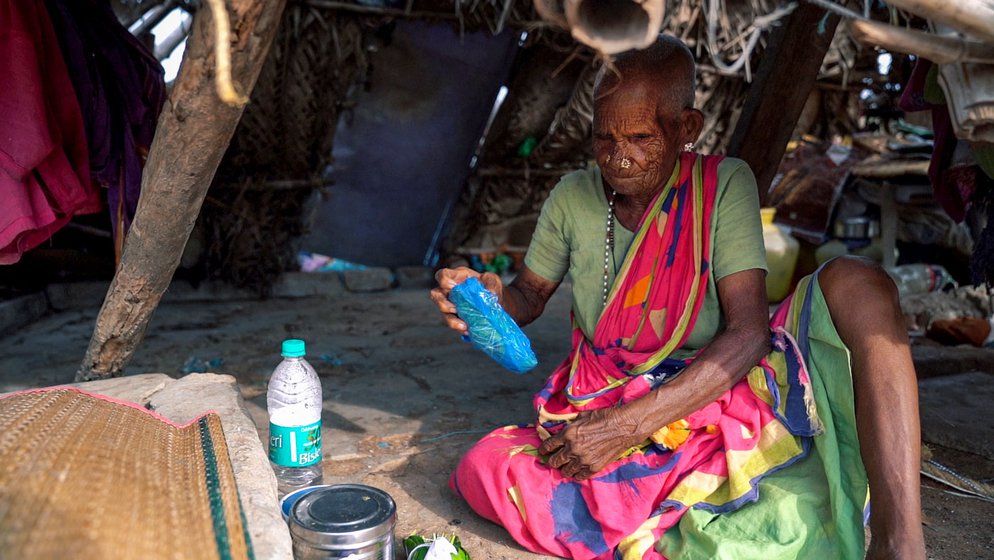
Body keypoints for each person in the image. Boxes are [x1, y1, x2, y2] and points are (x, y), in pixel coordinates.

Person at [430, 35, 925, 560]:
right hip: (605, 396)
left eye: (640, 137)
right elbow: (529, 296)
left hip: (715, 385)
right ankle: (690, 494)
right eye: (604, 139)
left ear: (687, 128)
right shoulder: (573, 196)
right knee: (485, 466)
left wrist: (626, 427)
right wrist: (486, 302)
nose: (619, 158)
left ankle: (900, 542)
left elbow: (749, 334)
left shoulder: (723, 184)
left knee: (860, 282)